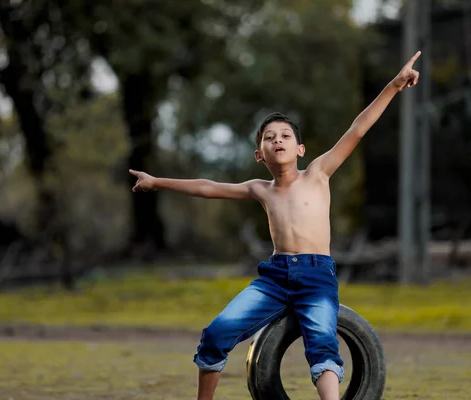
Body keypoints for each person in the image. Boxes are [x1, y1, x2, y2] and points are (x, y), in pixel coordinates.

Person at [129, 51, 421, 400]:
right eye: (269, 138)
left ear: (300, 149)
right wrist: (156, 181)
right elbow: (207, 187)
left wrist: (394, 84)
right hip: (274, 278)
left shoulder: (318, 174)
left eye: (284, 136)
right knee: (215, 334)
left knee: (323, 348)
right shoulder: (260, 189)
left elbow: (358, 129)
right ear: (259, 155)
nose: (277, 140)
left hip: (316, 276)